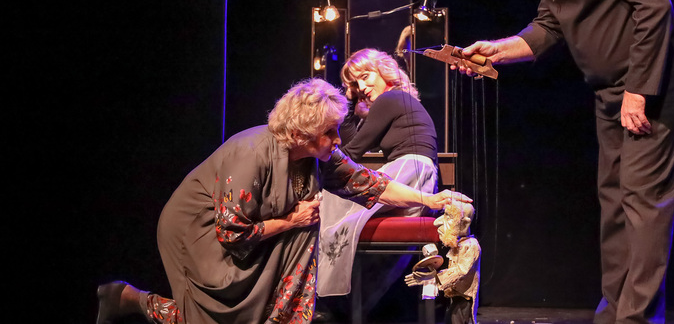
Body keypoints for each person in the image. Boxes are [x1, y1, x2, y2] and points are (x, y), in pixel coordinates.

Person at [454, 0, 674, 323]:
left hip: (655, 88)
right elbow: (551, 23)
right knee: (614, 203)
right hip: (610, 91)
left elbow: (655, 8)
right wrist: (499, 50)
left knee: (643, 204)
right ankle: (613, 314)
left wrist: (639, 90)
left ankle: (635, 319)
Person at [95, 78, 470, 324]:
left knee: (254, 304)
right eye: (330, 131)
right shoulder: (251, 155)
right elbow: (232, 233)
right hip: (198, 229)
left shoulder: (319, 155)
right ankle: (129, 299)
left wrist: (431, 198)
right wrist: (291, 220)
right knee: (210, 318)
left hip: (252, 230)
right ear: (303, 133)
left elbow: (371, 185)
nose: (338, 139)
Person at [316, 49, 439, 314]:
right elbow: (353, 144)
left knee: (327, 203)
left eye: (365, 76)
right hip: (420, 178)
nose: (361, 87)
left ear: (385, 71)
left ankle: (324, 299)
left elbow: (351, 153)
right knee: (382, 253)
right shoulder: (399, 100)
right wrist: (352, 103)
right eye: (354, 84)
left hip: (409, 171)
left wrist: (318, 170)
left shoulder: (390, 98)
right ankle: (348, 308)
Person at [405, 202, 480, 324]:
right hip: (455, 296)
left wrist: (434, 278)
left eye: (448, 217)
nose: (437, 222)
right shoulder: (458, 244)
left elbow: (461, 271)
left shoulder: (471, 246)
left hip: (464, 298)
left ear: (465, 224)